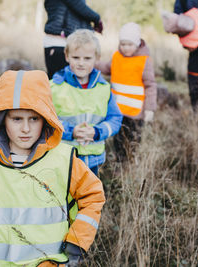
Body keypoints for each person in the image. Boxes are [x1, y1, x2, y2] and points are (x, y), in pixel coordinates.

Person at [0, 70, 106, 267]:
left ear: (46, 119)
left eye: (34, 119)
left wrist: (77, 239)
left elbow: (93, 196)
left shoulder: (64, 159)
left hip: (47, 262)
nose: (26, 128)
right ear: (1, 119)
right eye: (17, 119)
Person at [50, 29, 123, 175]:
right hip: (62, 158)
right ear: (67, 56)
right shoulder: (54, 87)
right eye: (76, 57)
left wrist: (96, 132)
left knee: (88, 197)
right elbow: (47, 119)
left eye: (87, 58)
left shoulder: (104, 89)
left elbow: (115, 118)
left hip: (93, 160)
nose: (81, 63)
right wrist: (71, 132)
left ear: (97, 58)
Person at [95, 22, 157, 163]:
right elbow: (106, 67)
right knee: (118, 138)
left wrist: (150, 109)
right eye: (123, 44)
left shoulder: (143, 61)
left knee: (133, 138)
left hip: (136, 112)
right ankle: (119, 161)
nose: (126, 48)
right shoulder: (117, 57)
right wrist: (93, 63)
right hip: (117, 109)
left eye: (129, 44)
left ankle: (130, 162)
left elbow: (150, 85)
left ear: (137, 44)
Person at [43, 0, 103, 79]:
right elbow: (79, 6)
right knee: (58, 82)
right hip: (59, 42)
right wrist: (97, 19)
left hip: (67, 42)